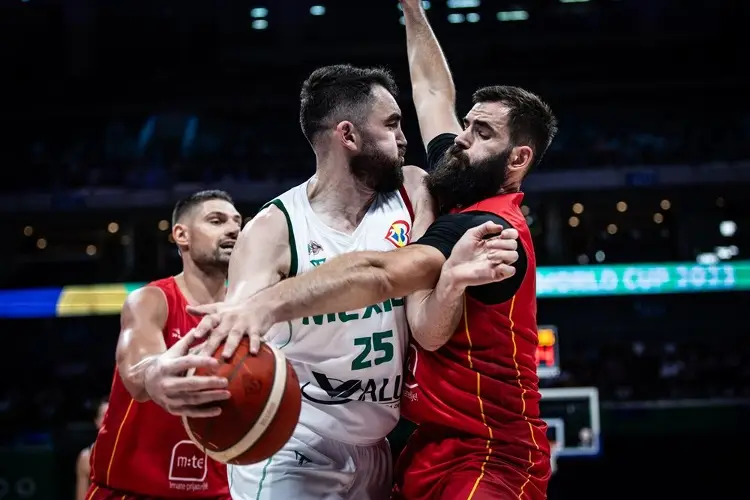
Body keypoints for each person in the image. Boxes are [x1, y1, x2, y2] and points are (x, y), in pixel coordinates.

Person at [190, 1, 558, 497]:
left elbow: (384, 276)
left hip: (489, 444)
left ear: (517, 159)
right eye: (467, 126)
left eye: (481, 132)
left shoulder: (490, 226)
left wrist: (268, 304)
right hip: (415, 443)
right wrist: (413, 9)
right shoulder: (450, 183)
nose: (459, 139)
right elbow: (431, 92)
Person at [85, 190, 240, 500]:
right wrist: (155, 372)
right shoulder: (151, 300)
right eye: (216, 220)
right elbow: (138, 370)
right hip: (132, 491)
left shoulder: (247, 312)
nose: (234, 229)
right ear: (181, 235)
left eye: (238, 222)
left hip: (219, 492)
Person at [75, 398, 108, 500]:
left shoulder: (132, 454)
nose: (109, 418)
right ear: (97, 421)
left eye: (113, 414)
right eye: (104, 415)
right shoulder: (86, 457)